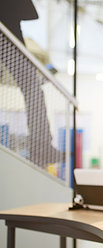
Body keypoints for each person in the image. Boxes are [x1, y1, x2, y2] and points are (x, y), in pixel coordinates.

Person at [0, 0, 64, 168]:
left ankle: (41, 146)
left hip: (10, 30)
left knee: (32, 87)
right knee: (32, 87)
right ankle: (41, 146)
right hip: (7, 30)